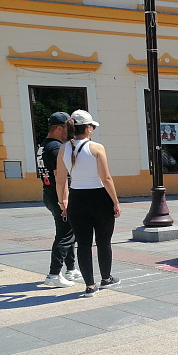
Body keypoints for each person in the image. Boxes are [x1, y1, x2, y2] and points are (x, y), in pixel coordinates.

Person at [56, 110, 121, 298]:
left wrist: (63, 202)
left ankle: (90, 286)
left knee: (83, 244)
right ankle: (106, 278)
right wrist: (115, 201)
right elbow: (106, 178)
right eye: (92, 126)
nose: (92, 129)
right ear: (87, 128)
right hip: (100, 198)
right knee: (103, 241)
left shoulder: (63, 149)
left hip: (77, 198)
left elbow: (60, 180)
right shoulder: (97, 148)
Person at [37, 112, 80, 287]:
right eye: (68, 128)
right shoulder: (55, 147)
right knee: (65, 235)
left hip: (48, 193)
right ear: (60, 128)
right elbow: (60, 177)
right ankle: (54, 275)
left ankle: (70, 269)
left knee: (68, 233)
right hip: (58, 194)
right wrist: (64, 201)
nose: (69, 132)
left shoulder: (43, 145)